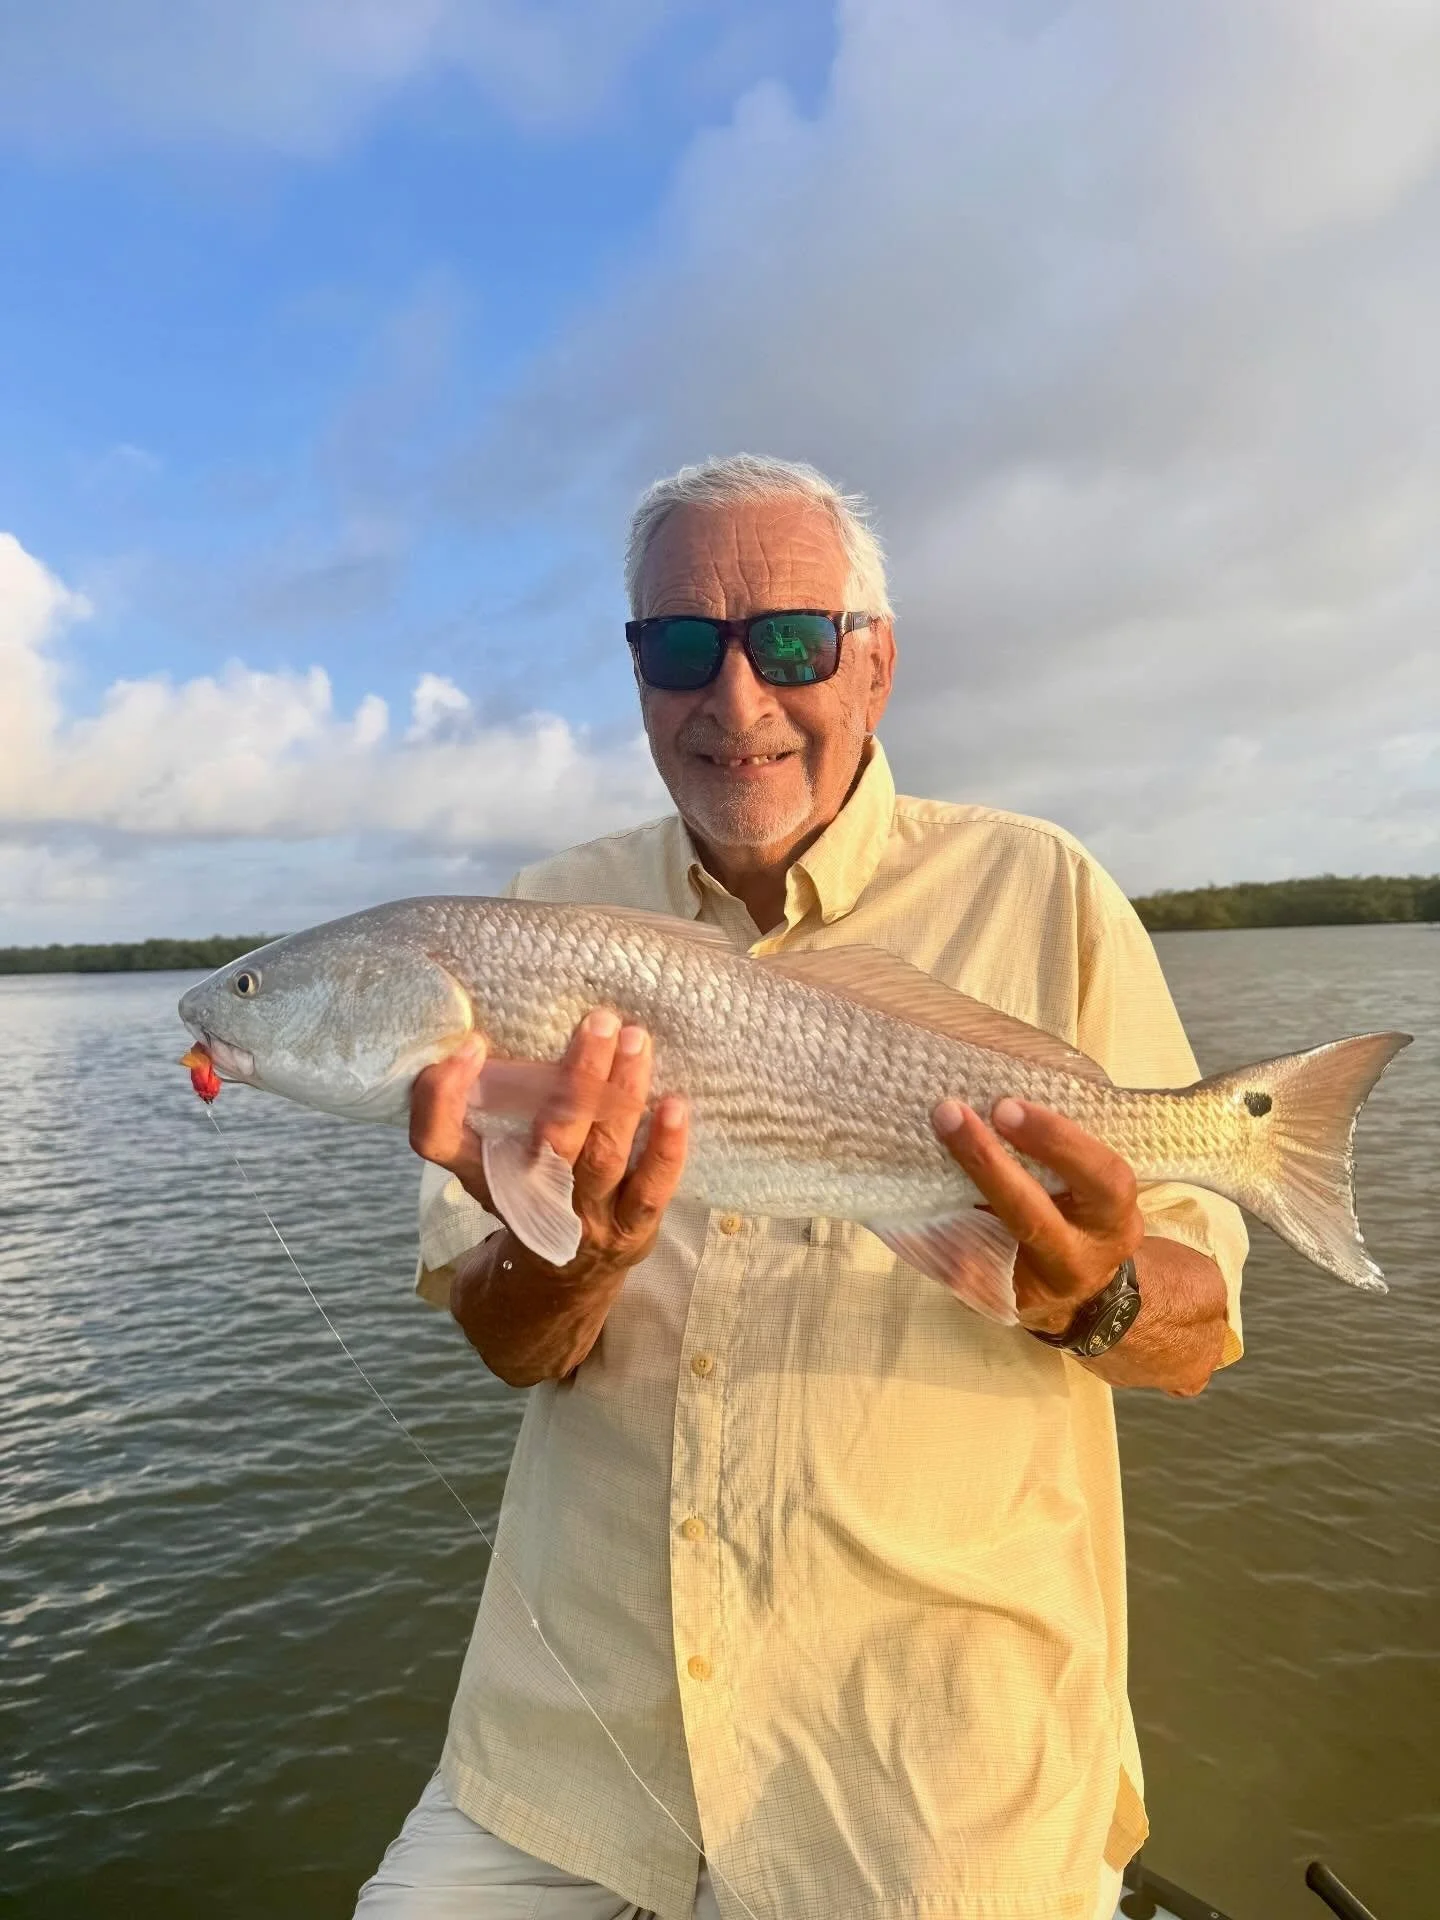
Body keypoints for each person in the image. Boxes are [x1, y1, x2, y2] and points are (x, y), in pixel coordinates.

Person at [354, 455, 1248, 1920]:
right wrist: (583, 1255)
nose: (738, 702)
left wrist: (1096, 1293)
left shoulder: (1045, 891)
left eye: (790, 643)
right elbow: (509, 1343)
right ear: (636, 673)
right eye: (680, 650)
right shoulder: (526, 924)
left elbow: (1199, 1337)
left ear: (877, 662)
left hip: (930, 1787)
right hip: (570, 1752)